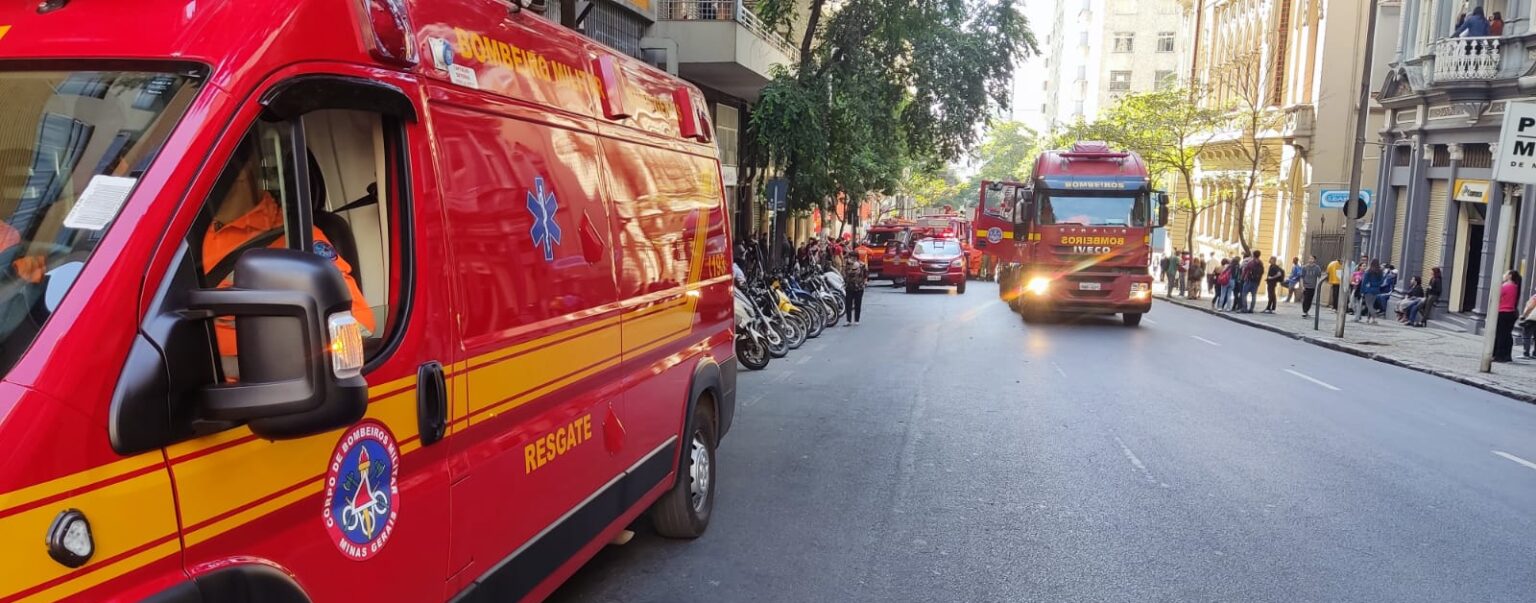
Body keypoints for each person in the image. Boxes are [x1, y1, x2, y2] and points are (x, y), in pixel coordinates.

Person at [204, 142, 374, 363]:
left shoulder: (298, 239)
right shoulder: (189, 234)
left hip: (256, 391)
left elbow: (359, 326)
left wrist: (283, 352)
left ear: (240, 172)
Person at [1492, 270, 1521, 362]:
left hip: (1502, 312)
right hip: (1511, 313)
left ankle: (1498, 355)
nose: (1504, 275)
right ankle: (1507, 355)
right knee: (1507, 334)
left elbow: (1495, 296)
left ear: (1510, 276)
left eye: (1506, 273)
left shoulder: (1505, 286)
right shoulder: (1515, 287)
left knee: (1500, 335)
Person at [842, 250, 868, 325]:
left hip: (859, 287)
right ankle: (848, 320)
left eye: (853, 257)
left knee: (858, 304)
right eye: (850, 257)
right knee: (848, 304)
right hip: (849, 286)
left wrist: (865, 281)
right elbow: (846, 274)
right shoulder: (847, 265)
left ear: (856, 257)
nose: (851, 258)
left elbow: (865, 274)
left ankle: (857, 320)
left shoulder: (862, 265)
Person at [1355, 260, 1384, 324]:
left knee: (1369, 305)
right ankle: (1369, 319)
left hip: (1368, 290)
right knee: (1371, 305)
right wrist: (1375, 284)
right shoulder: (1380, 272)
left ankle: (1374, 317)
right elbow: (1381, 281)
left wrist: (1362, 291)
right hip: (1376, 290)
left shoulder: (1368, 272)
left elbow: (1364, 282)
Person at [1520, 288, 1536, 358]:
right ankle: (1535, 353)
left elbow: (1530, 307)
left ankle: (1526, 353)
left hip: (1531, 319)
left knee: (1526, 336)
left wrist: (1524, 315)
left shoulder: (1535, 297)